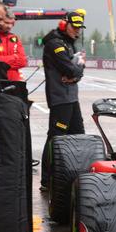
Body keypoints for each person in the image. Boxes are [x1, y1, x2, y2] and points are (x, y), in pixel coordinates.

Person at [40, 12, 87, 191]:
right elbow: (70, 68)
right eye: (74, 27)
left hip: (71, 97)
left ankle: (76, 174)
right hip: (60, 98)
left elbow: (77, 70)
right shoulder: (55, 44)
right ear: (63, 25)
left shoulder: (68, 43)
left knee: (79, 134)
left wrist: (76, 74)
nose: (77, 31)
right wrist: (76, 71)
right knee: (56, 137)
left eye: (79, 28)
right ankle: (46, 180)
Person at [0, 10, 27, 81]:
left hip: (14, 82)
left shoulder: (14, 38)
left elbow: (22, 61)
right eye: (7, 23)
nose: (9, 26)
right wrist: (15, 57)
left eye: (12, 23)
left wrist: (3, 60)